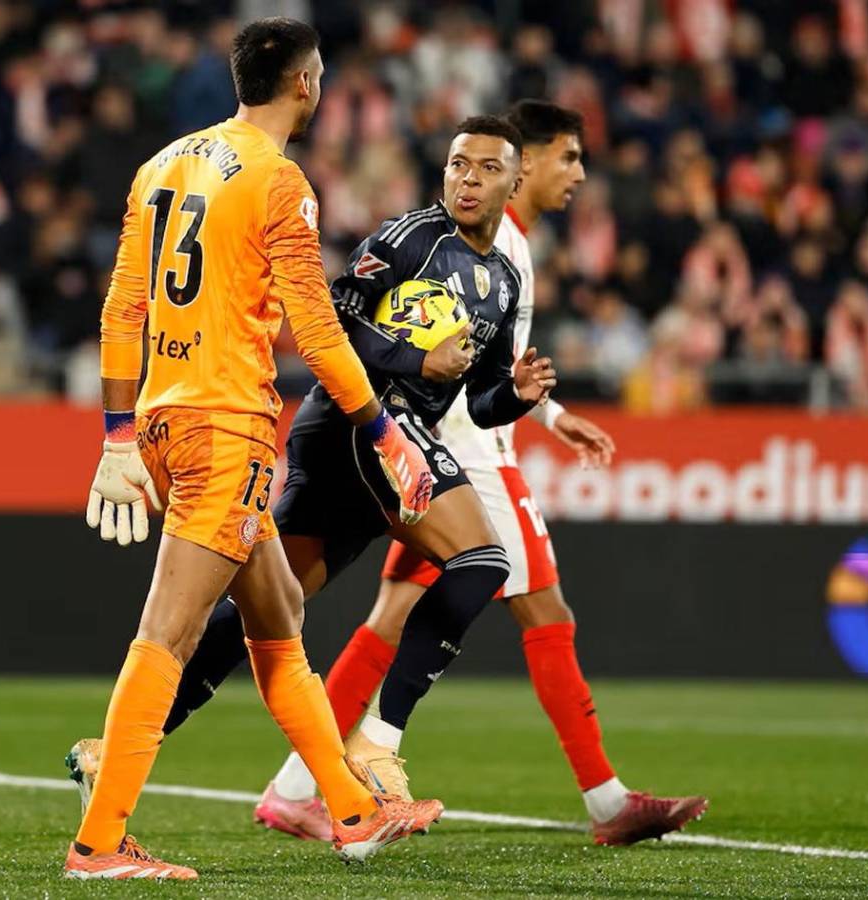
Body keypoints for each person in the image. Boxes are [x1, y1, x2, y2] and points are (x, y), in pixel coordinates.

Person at [67, 113, 558, 831]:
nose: (467, 179)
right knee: (484, 560)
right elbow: (336, 321)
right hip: (365, 423)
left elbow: (477, 402)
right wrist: (416, 361)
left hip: (379, 435)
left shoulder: (504, 284)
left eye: (485, 168)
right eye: (458, 164)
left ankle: (110, 752)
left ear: (514, 182)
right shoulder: (409, 239)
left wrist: (513, 394)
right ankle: (380, 745)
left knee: (273, 609)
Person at [255, 102, 709, 846]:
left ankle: (296, 786)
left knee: (387, 615)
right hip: (463, 456)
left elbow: (495, 371)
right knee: (546, 612)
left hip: (439, 442)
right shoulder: (482, 247)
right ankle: (603, 800)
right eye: (568, 157)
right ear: (526, 164)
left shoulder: (506, 252)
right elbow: (388, 339)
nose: (578, 174)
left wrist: (551, 414)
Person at [66, 17, 443, 882]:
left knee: (278, 616)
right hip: (225, 426)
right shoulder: (279, 180)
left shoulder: (162, 164)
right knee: (168, 630)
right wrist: (383, 431)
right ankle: (98, 844)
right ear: (305, 83)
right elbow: (314, 324)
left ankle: (348, 811)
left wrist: (118, 435)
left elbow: (124, 310)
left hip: (163, 420)